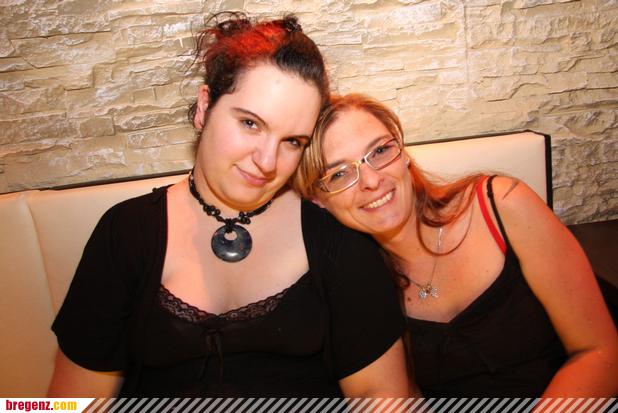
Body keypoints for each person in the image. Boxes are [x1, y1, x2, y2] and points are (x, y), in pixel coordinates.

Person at [48, 16, 409, 397]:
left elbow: (380, 396)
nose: (266, 161)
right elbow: (72, 401)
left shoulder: (333, 234)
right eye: (250, 123)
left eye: (292, 141)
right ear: (204, 107)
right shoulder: (126, 233)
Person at [294, 93, 618, 397]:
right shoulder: (354, 285)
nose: (371, 180)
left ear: (403, 153)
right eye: (339, 174)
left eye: (380, 151)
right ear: (318, 200)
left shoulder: (502, 206)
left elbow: (598, 352)